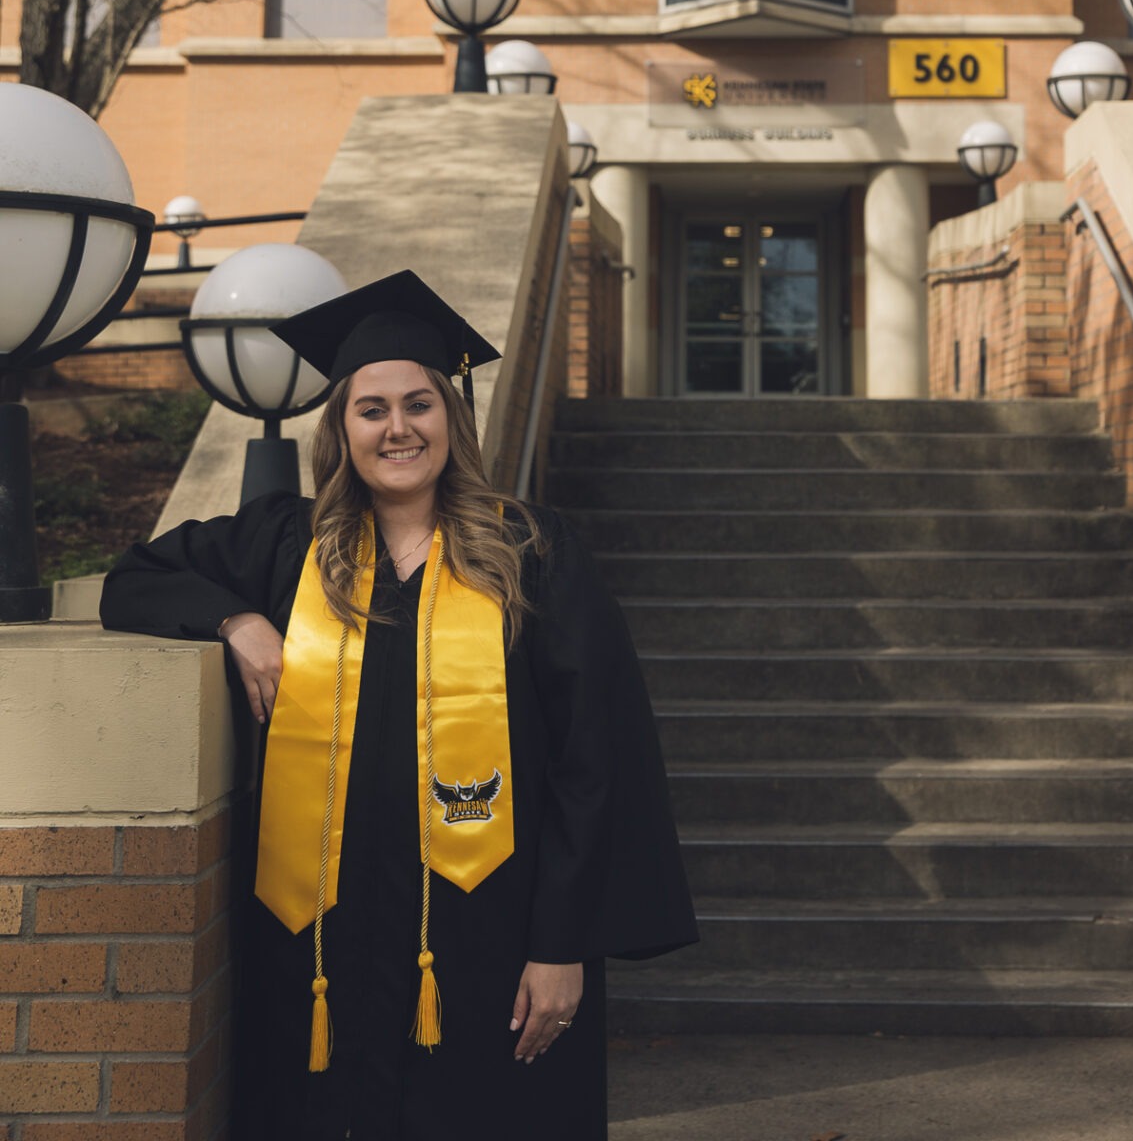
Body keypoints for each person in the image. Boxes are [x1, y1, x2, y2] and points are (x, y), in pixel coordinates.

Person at [100, 269, 698, 1141]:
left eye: (419, 404)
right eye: (371, 409)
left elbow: (593, 759)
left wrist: (563, 946)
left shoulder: (528, 551)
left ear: (452, 420)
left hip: (491, 940)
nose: (397, 429)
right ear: (340, 429)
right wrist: (234, 620)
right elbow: (133, 580)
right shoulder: (285, 545)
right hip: (317, 955)